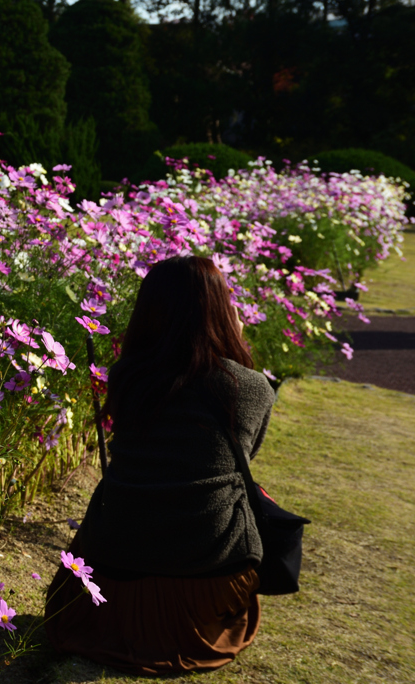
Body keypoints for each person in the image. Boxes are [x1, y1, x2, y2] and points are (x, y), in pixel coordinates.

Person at [44, 255, 277, 674]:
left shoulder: (128, 377)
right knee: (247, 496)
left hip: (113, 575)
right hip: (207, 579)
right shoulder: (251, 387)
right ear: (222, 311)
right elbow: (244, 461)